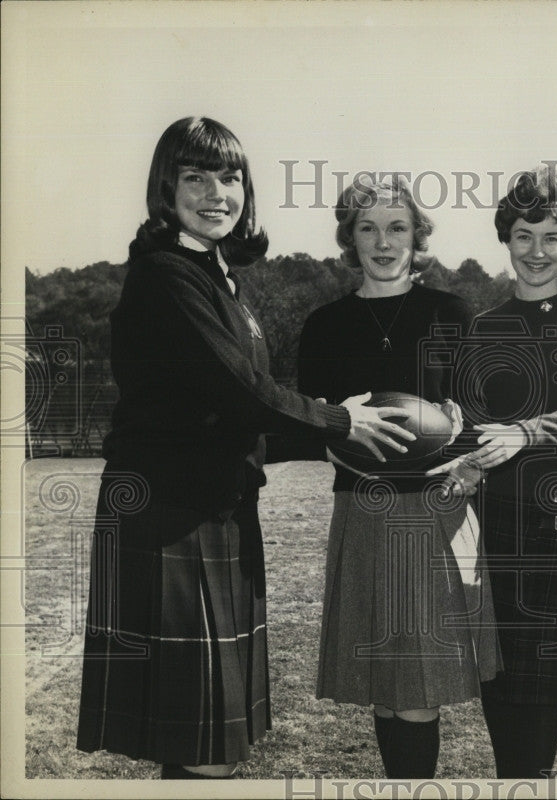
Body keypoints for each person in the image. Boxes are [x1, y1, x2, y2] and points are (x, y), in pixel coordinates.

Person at [76, 117, 412, 780]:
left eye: (229, 176)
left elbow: (236, 414)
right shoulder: (166, 275)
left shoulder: (222, 279)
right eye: (194, 177)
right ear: (164, 188)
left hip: (219, 509)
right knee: (205, 753)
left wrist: (331, 444)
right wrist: (337, 422)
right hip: (171, 515)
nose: (216, 193)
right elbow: (243, 390)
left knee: (212, 748)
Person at [299, 174, 501, 779]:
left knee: (416, 692)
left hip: (433, 509)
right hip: (361, 508)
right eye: (368, 228)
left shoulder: (451, 312)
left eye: (397, 227)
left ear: (417, 236)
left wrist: (466, 445)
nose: (383, 242)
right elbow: (308, 420)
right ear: (349, 238)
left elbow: (482, 420)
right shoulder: (326, 324)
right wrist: (336, 434)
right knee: (385, 692)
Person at [431, 165, 557, 778]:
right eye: (524, 236)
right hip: (485, 527)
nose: (536, 252)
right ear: (506, 239)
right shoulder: (482, 328)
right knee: (496, 675)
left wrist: (523, 432)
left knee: (538, 692)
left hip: (551, 524)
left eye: (551, 238)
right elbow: (468, 428)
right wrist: (457, 466)